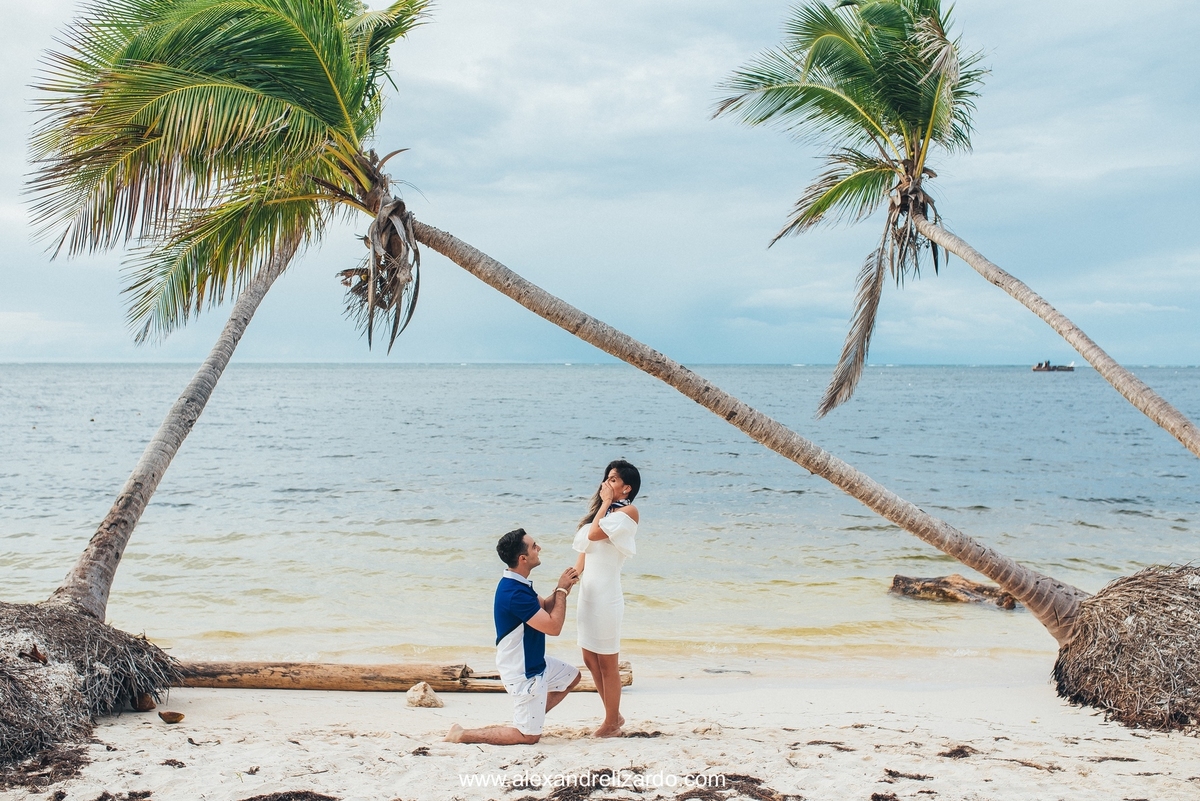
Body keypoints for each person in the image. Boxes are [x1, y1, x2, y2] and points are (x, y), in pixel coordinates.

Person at [444, 528, 580, 745]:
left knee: (571, 677)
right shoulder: (514, 593)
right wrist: (562, 592)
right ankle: (461, 734)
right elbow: (553, 627)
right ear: (523, 558)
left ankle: (529, 716)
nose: (539, 548)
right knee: (528, 737)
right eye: (534, 546)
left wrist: (562, 586)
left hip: (535, 662)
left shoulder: (518, 583)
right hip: (523, 671)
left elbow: (545, 607)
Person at [572, 459, 640, 737]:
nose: (606, 484)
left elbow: (595, 533)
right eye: (606, 478)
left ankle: (612, 720)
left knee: (608, 661)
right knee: (589, 657)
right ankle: (613, 715)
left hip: (607, 596)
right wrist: (564, 586)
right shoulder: (602, 514)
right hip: (588, 594)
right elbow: (584, 554)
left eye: (613, 480)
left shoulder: (629, 512)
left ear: (626, 488)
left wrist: (603, 504)